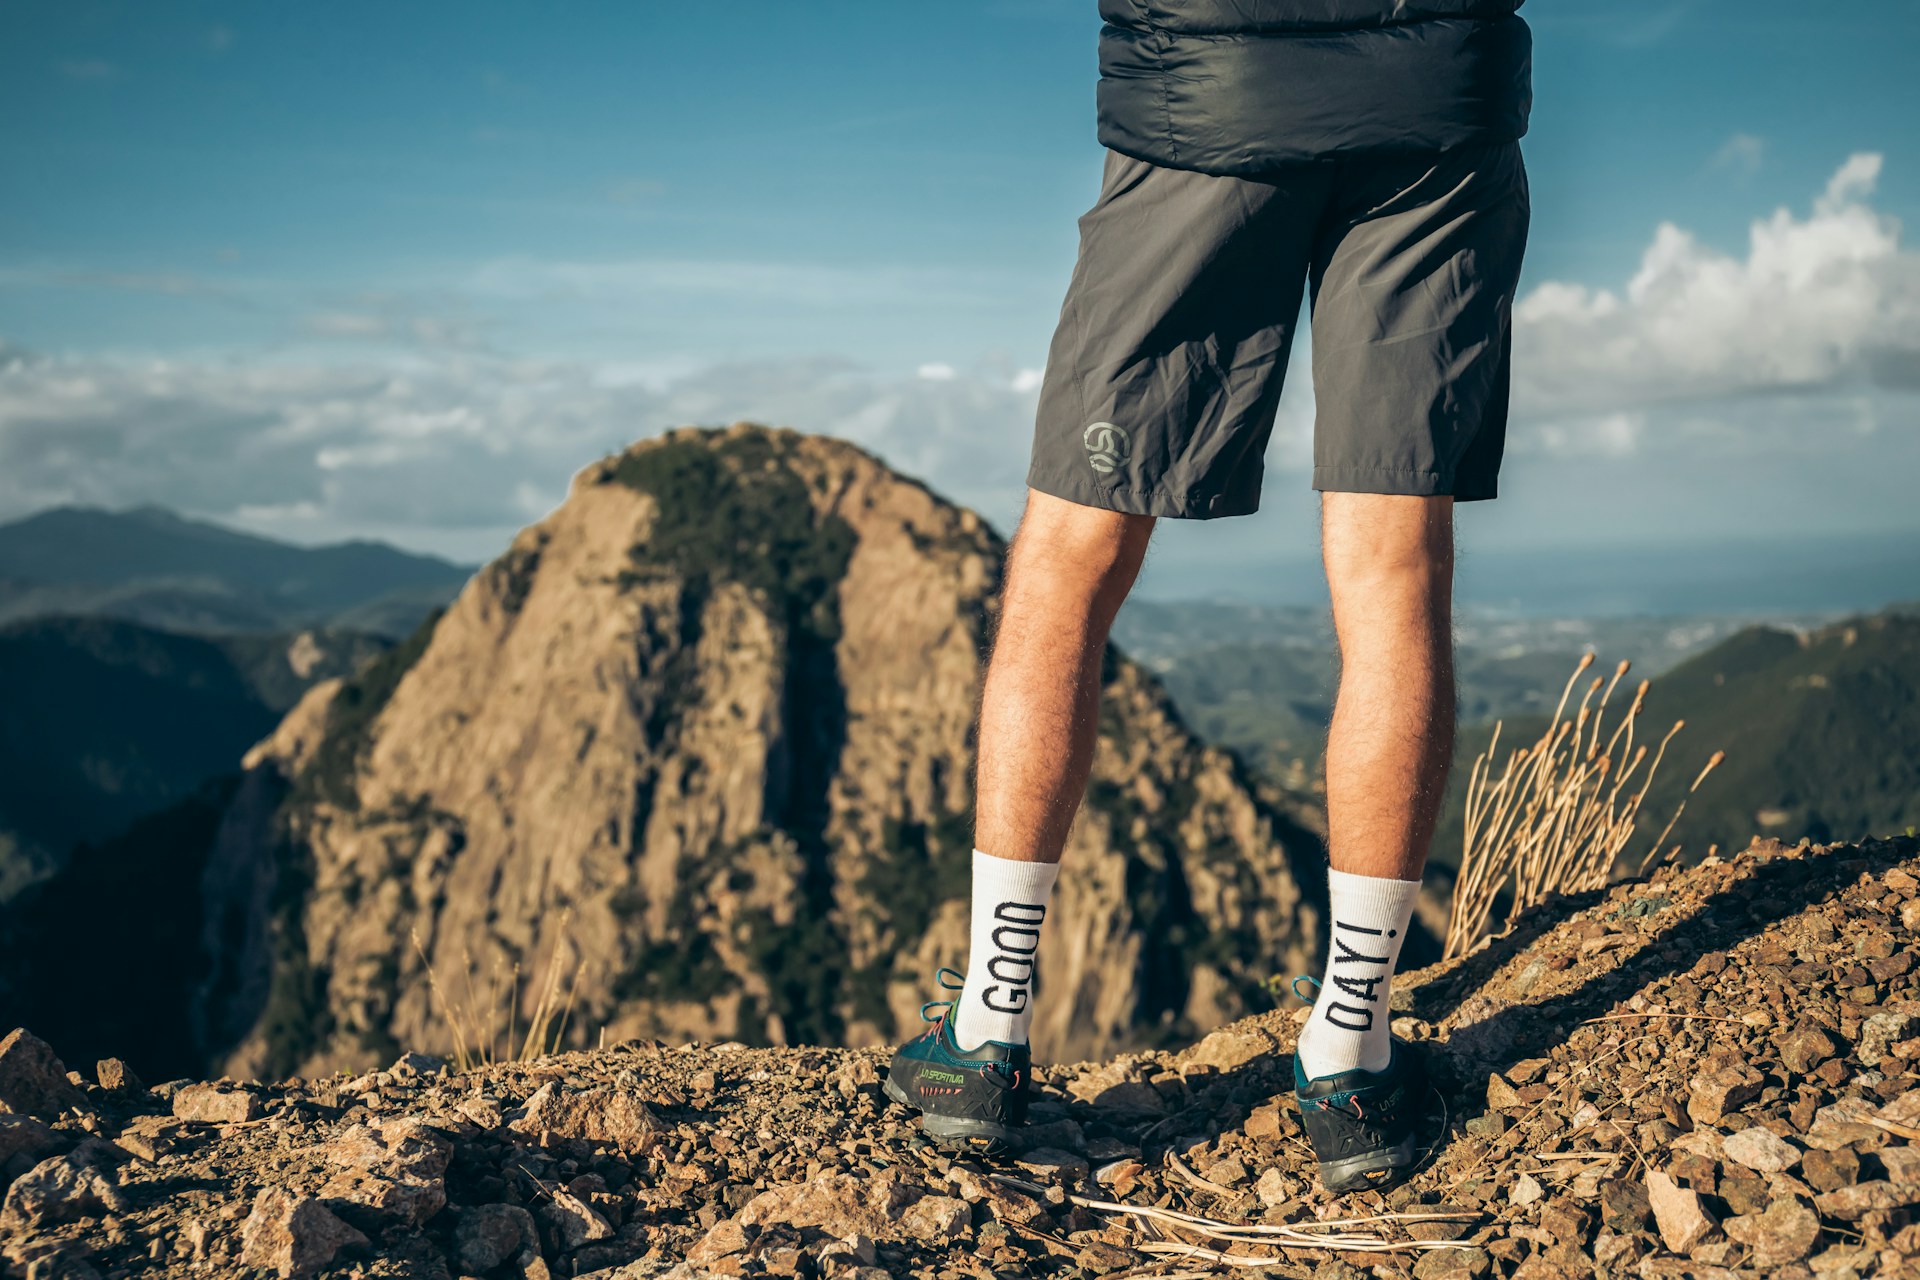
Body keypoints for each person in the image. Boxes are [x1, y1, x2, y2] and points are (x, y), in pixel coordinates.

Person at [883, 0, 1533, 1193]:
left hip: (1207, 93)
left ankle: (985, 1029)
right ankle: (1352, 1055)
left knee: (1068, 559)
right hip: (1442, 95)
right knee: (1393, 573)